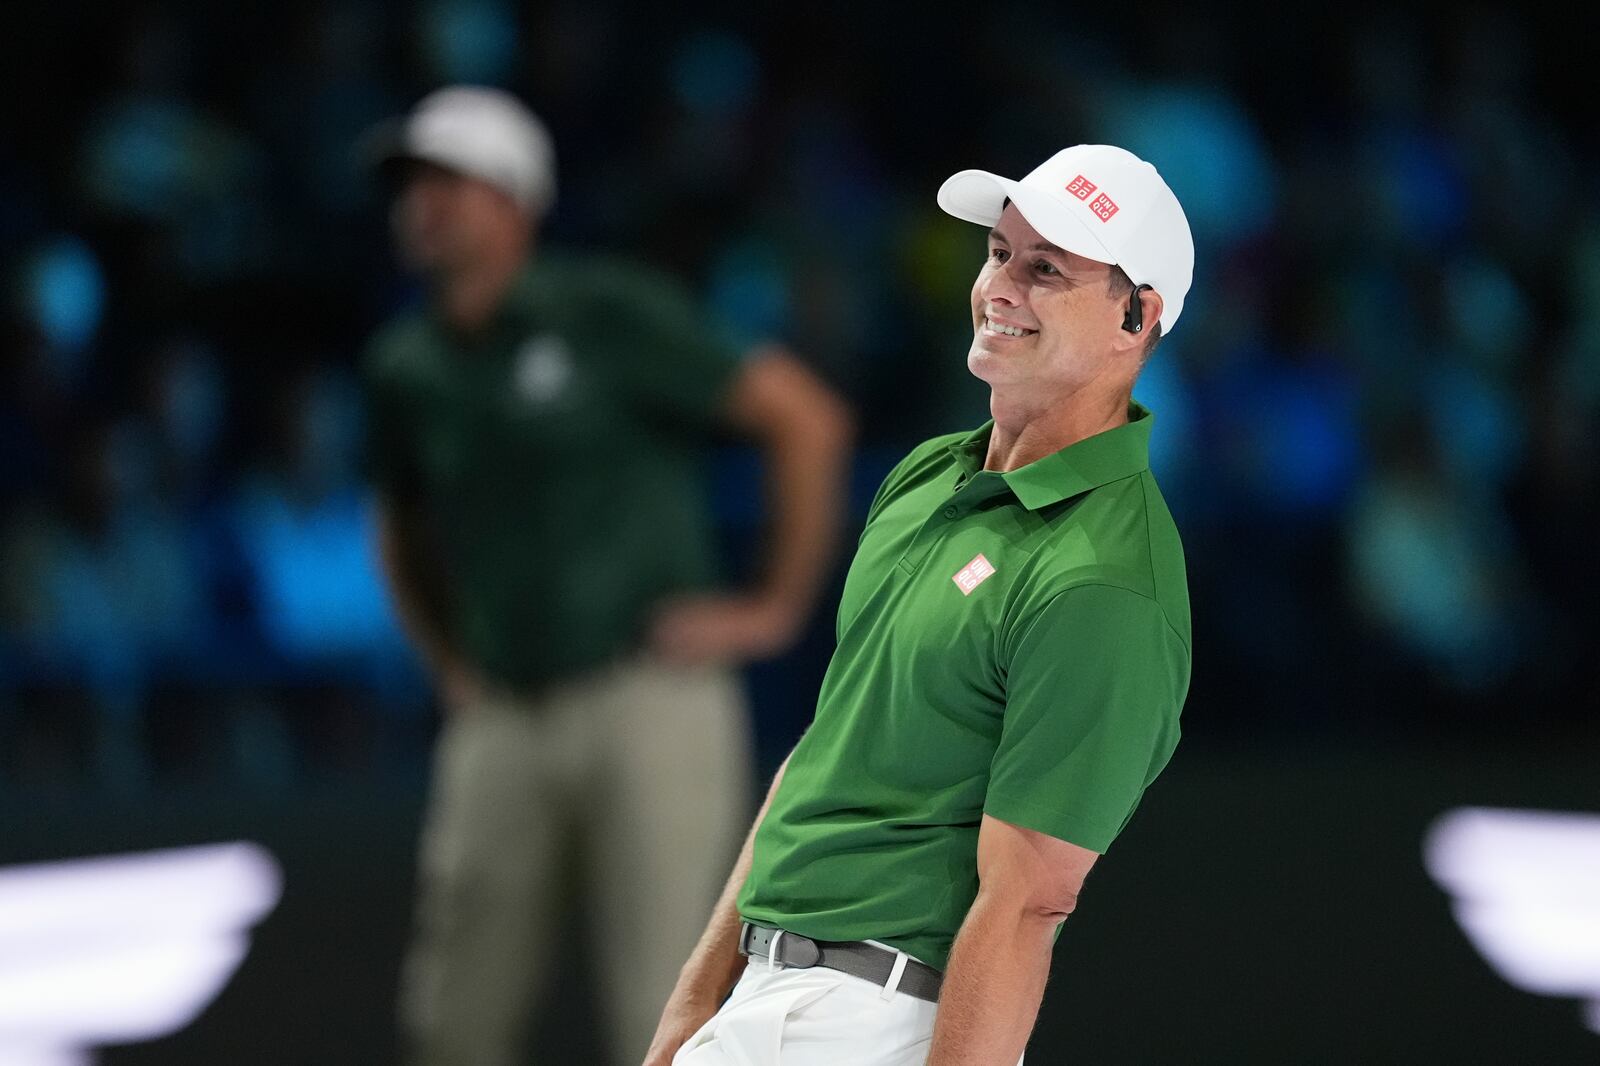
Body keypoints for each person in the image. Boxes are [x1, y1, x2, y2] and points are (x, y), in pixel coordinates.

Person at [646, 144, 1195, 1066]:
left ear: (1137, 317)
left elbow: (1028, 904)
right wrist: (689, 1012)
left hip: (880, 1026)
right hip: (767, 1001)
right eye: (998, 252)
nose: (1001, 287)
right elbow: (827, 754)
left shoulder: (1107, 581)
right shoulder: (927, 474)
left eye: (1048, 268)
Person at [358, 86, 854, 1066]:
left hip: (647, 693)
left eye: (446, 180)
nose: (421, 203)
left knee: (664, 1011)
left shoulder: (604, 313)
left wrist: (772, 610)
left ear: (513, 199)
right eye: (410, 183)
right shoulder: (405, 366)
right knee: (452, 1020)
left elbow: (804, 418)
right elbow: (400, 525)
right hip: (501, 707)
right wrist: (447, 659)